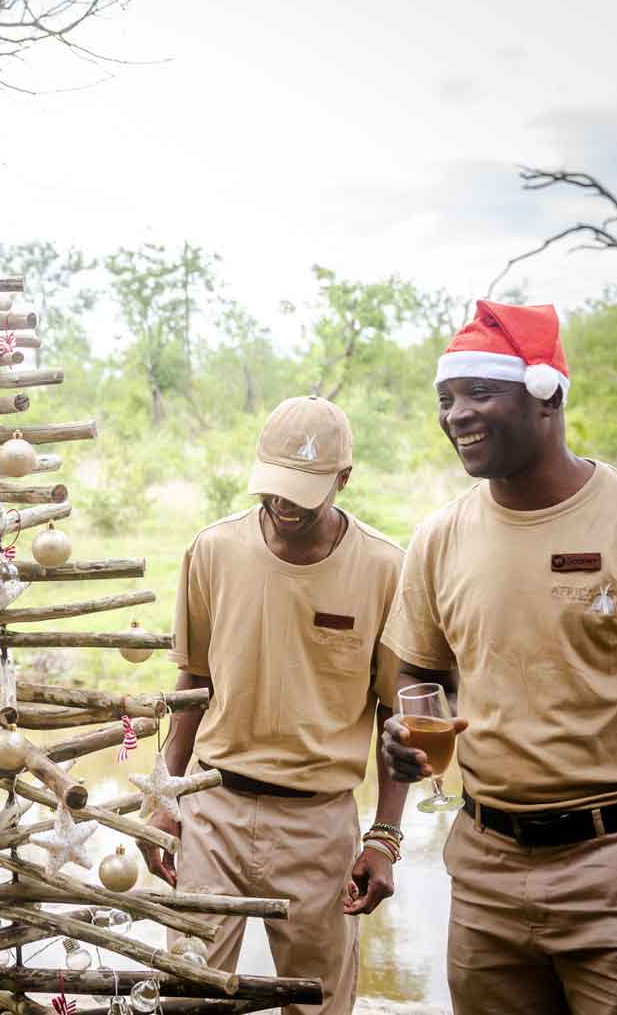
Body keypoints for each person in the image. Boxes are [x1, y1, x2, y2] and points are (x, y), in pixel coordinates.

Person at [380, 299, 617, 1014]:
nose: (456, 414)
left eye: (480, 393)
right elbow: (420, 679)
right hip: (485, 875)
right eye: (446, 398)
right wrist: (410, 741)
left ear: (545, 396)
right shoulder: (438, 538)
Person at [142, 394, 409, 1015]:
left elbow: (397, 718)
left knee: (318, 1002)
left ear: (343, 479)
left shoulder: (385, 568)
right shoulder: (214, 550)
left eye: (303, 490)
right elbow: (192, 681)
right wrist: (163, 797)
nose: (283, 504)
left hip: (320, 825)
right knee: (187, 996)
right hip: (213, 810)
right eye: (274, 487)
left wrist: (386, 838)